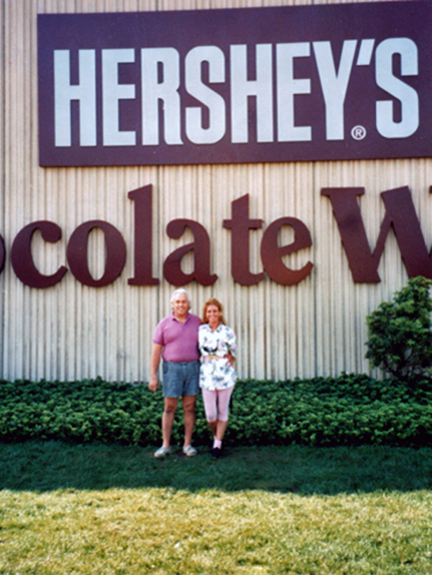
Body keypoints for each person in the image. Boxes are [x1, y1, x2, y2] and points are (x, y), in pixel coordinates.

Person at [149, 288, 201, 458]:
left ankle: (187, 445)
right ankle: (165, 445)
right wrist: (153, 376)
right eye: (177, 302)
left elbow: (210, 344)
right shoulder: (164, 324)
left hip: (193, 368)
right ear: (172, 304)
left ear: (189, 304)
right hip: (172, 369)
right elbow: (156, 352)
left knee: (189, 407)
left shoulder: (198, 322)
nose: (181, 305)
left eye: (184, 301)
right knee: (169, 407)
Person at [199, 298, 237, 458]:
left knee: (223, 411)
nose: (212, 314)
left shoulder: (227, 331)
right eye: (209, 311)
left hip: (225, 375)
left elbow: (233, 351)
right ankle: (217, 436)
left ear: (219, 313)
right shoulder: (201, 330)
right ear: (206, 314)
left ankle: (217, 444)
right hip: (207, 375)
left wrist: (231, 356)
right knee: (210, 415)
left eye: (215, 311)